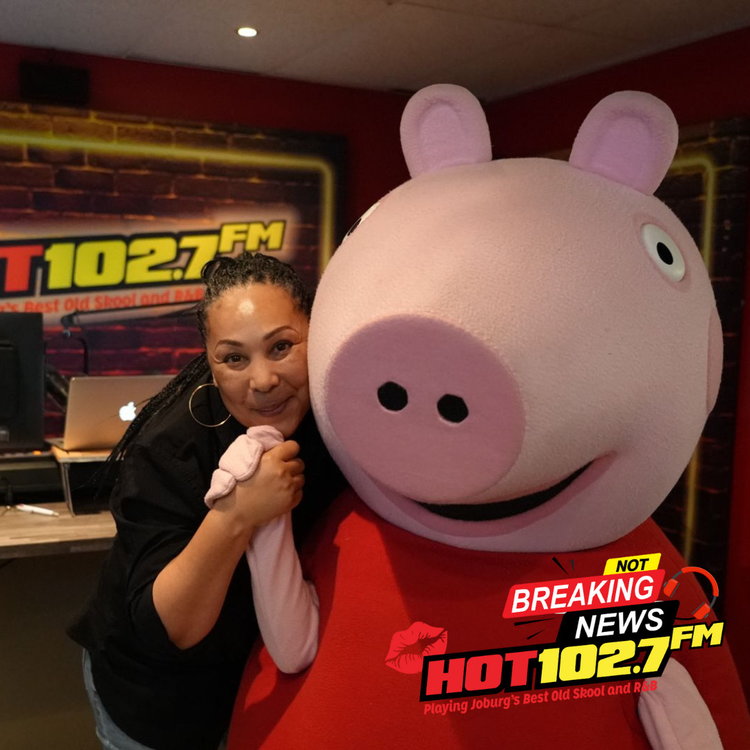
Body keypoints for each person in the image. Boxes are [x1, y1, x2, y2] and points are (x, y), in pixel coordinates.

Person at [68, 252, 345, 750]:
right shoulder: (168, 449)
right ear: (211, 366)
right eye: (234, 358)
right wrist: (238, 513)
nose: (262, 380)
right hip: (159, 696)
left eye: (281, 347)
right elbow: (170, 627)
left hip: (254, 679)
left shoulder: (339, 414)